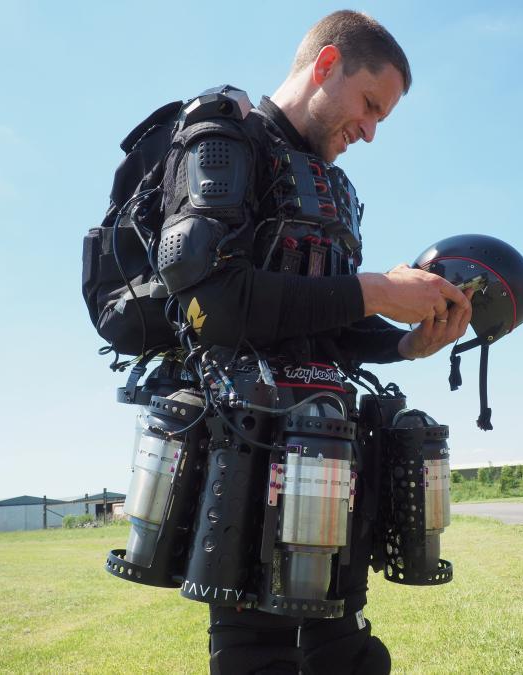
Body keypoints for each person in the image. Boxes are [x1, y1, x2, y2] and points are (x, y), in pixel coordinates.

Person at [155, 10, 473, 674]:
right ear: (326, 65)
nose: (371, 131)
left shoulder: (337, 187)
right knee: (257, 655)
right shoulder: (224, 140)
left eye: (383, 118)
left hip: (330, 450)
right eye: (370, 105)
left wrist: (404, 344)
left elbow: (329, 325)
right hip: (246, 450)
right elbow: (217, 303)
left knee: (346, 649)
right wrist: (376, 289)